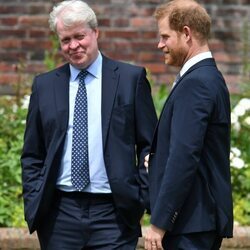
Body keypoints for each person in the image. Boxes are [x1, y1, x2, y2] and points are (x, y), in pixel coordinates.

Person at [21, 0, 157, 249]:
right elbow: (32, 153)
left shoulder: (130, 79)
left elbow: (150, 145)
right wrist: (33, 200)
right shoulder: (45, 85)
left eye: (79, 36)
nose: (73, 46)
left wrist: (141, 198)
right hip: (59, 215)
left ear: (96, 32)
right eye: (65, 40)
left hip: (114, 215)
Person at [144, 0, 233, 249]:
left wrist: (159, 223)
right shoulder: (207, 77)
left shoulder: (197, 83)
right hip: (196, 222)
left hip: (190, 225)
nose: (159, 44)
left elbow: (184, 155)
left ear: (186, 33)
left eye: (164, 36)